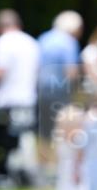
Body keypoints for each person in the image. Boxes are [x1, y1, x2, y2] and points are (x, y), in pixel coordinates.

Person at [0, 9, 40, 179]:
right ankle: (28, 170)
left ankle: (11, 171)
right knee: (25, 135)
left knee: (8, 138)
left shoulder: (2, 42)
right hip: (28, 96)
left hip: (7, 99)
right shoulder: (32, 42)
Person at [36, 10, 83, 144]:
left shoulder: (44, 38)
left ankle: (43, 156)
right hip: (60, 90)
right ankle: (57, 157)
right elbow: (71, 71)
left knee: (44, 126)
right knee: (62, 126)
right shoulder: (69, 42)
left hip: (41, 87)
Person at [53, 104, 87, 190]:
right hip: (65, 176)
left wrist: (77, 172)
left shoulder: (78, 141)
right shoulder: (61, 140)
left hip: (75, 176)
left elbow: (80, 158)